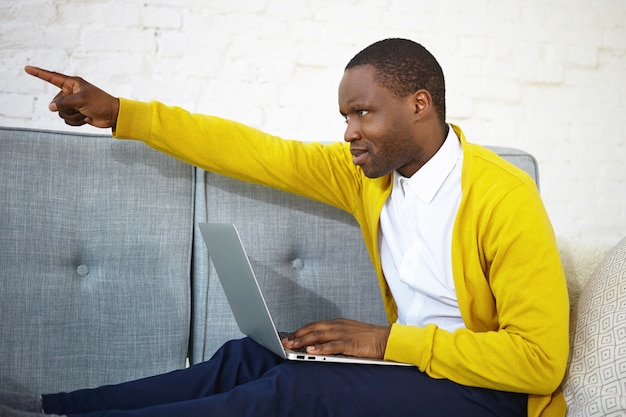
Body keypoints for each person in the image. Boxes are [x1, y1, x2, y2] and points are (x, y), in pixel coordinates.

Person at [2, 38, 568, 417]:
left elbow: (539, 360)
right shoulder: (368, 177)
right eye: (345, 116)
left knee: (297, 389)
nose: (349, 131)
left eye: (363, 112)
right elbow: (253, 151)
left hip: (491, 396)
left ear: (419, 104)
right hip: (419, 366)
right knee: (246, 357)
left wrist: (383, 342)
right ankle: (56, 408)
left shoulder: (502, 197)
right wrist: (122, 112)